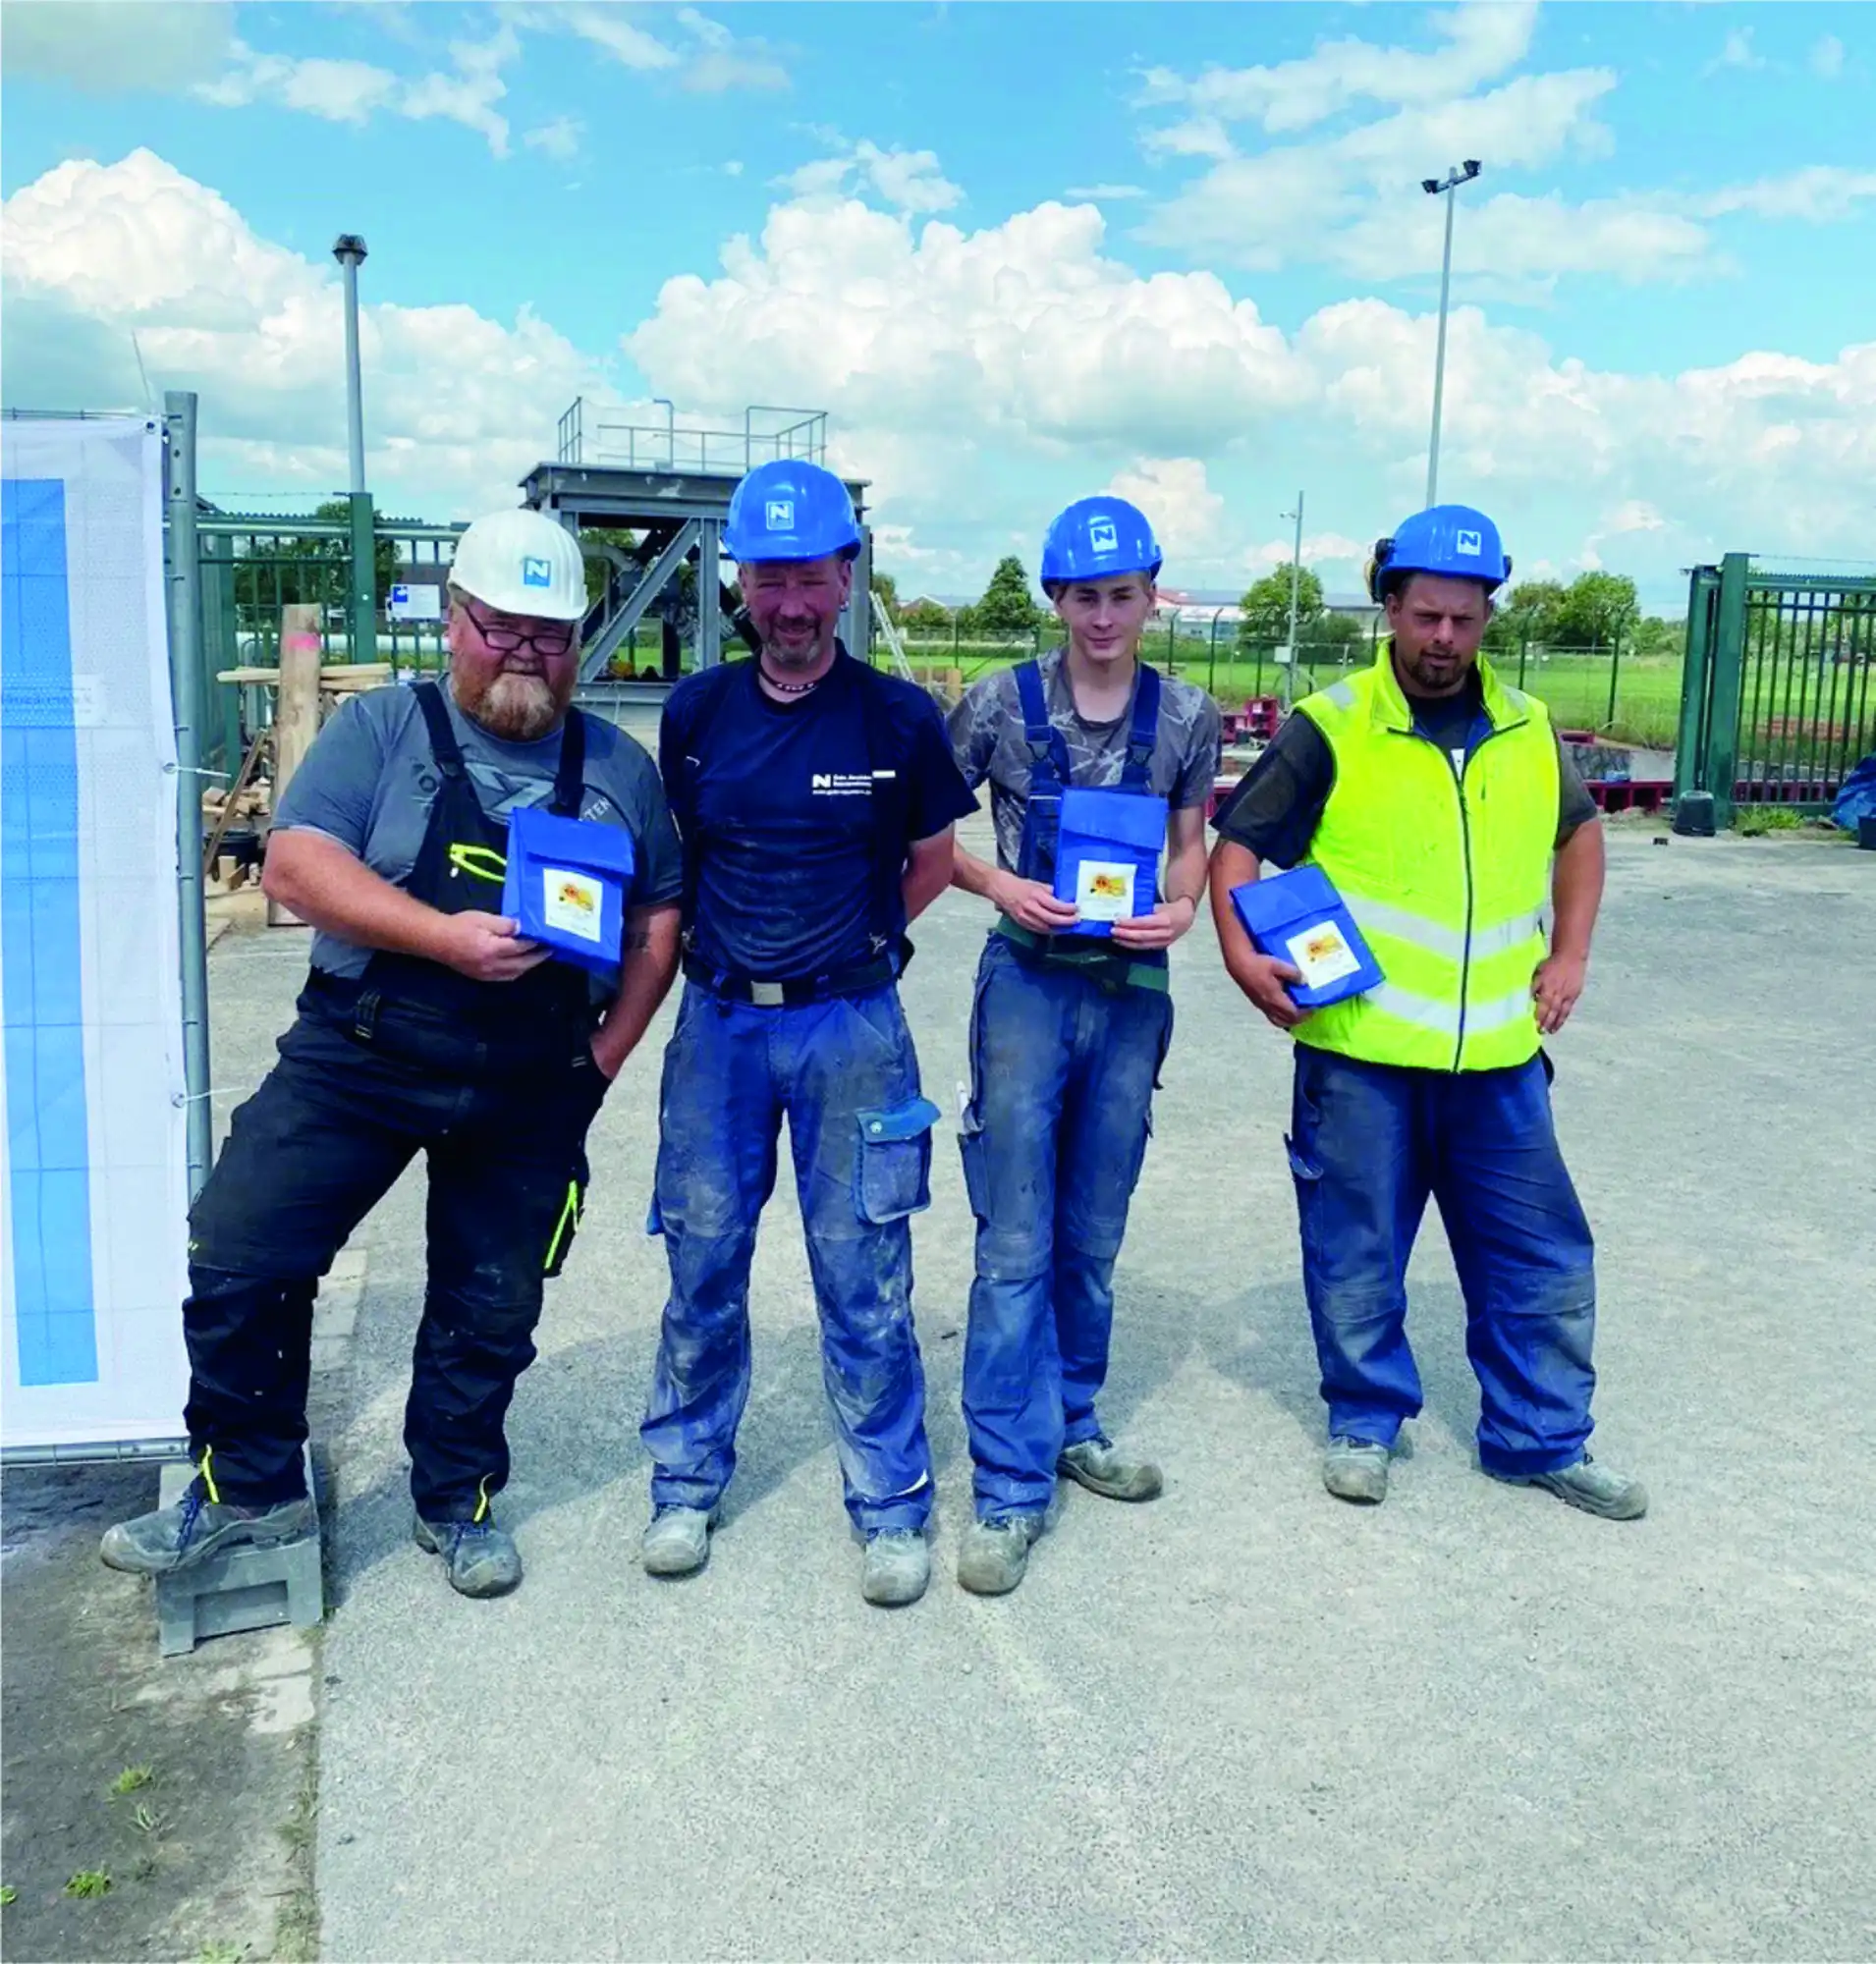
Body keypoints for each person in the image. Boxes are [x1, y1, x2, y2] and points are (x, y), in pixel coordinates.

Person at [100, 508, 684, 1598]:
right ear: (455, 621)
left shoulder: (615, 765)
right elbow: (295, 867)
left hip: (529, 1074)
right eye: (500, 626)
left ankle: (454, 1496)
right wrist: (442, 938)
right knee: (241, 1251)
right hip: (360, 1051)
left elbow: (658, 917)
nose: (524, 652)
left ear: (576, 643)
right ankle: (249, 1490)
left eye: (548, 634)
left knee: (490, 1299)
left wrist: (602, 1057)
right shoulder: (380, 731)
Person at [1208, 504, 1646, 1520]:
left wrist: (1569, 951)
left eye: (1462, 618)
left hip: (1497, 1056)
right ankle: (1364, 1422)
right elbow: (1238, 847)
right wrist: (1239, 953)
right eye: (1423, 617)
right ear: (1389, 610)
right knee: (1355, 1244)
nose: (1442, 639)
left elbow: (1576, 837)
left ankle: (1539, 1436)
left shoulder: (1528, 730)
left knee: (1536, 1251)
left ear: (1485, 614)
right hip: (1358, 1053)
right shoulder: (1331, 724)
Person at [639, 459, 977, 1609]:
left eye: (810, 580)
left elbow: (929, 860)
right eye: (766, 581)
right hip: (720, 1024)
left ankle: (889, 1506)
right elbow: (675, 863)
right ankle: (683, 1479)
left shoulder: (897, 717)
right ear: (739, 581)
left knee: (865, 1271)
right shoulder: (696, 713)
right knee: (700, 1258)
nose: (787, 605)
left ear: (846, 577)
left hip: (852, 1025)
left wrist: (856, 946)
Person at [944, 497, 1221, 1595]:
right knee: (1014, 1235)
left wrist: (1184, 904)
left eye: (1121, 594)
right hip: (1026, 982)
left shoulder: (1188, 717)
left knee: (1092, 1225)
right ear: (1055, 601)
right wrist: (997, 881)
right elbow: (921, 825)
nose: (1102, 615)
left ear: (1150, 596)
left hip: (1130, 993)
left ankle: (1073, 1416)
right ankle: (1008, 1486)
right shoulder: (999, 707)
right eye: (1082, 596)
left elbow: (1192, 845)